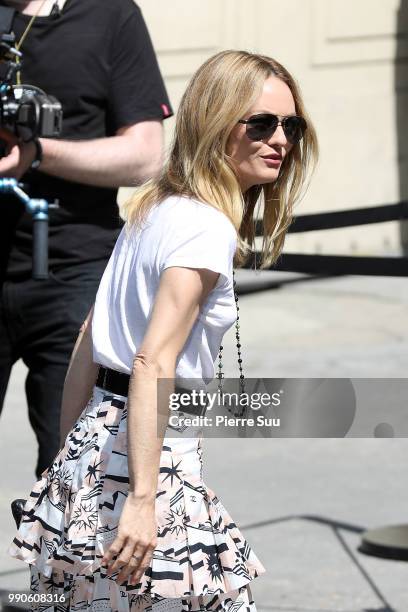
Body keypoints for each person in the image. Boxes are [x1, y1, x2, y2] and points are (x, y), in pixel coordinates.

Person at [8, 50, 319, 611]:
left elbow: (89, 338)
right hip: (151, 454)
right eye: (263, 123)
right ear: (217, 123)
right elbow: (153, 361)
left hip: (98, 443)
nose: (281, 140)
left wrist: (64, 464)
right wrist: (144, 500)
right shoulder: (203, 227)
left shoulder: (156, 206)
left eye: (291, 125)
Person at [0, 0, 173, 478]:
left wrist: (37, 154)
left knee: (74, 463)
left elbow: (145, 157)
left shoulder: (109, 15)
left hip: (76, 271)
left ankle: (58, 555)